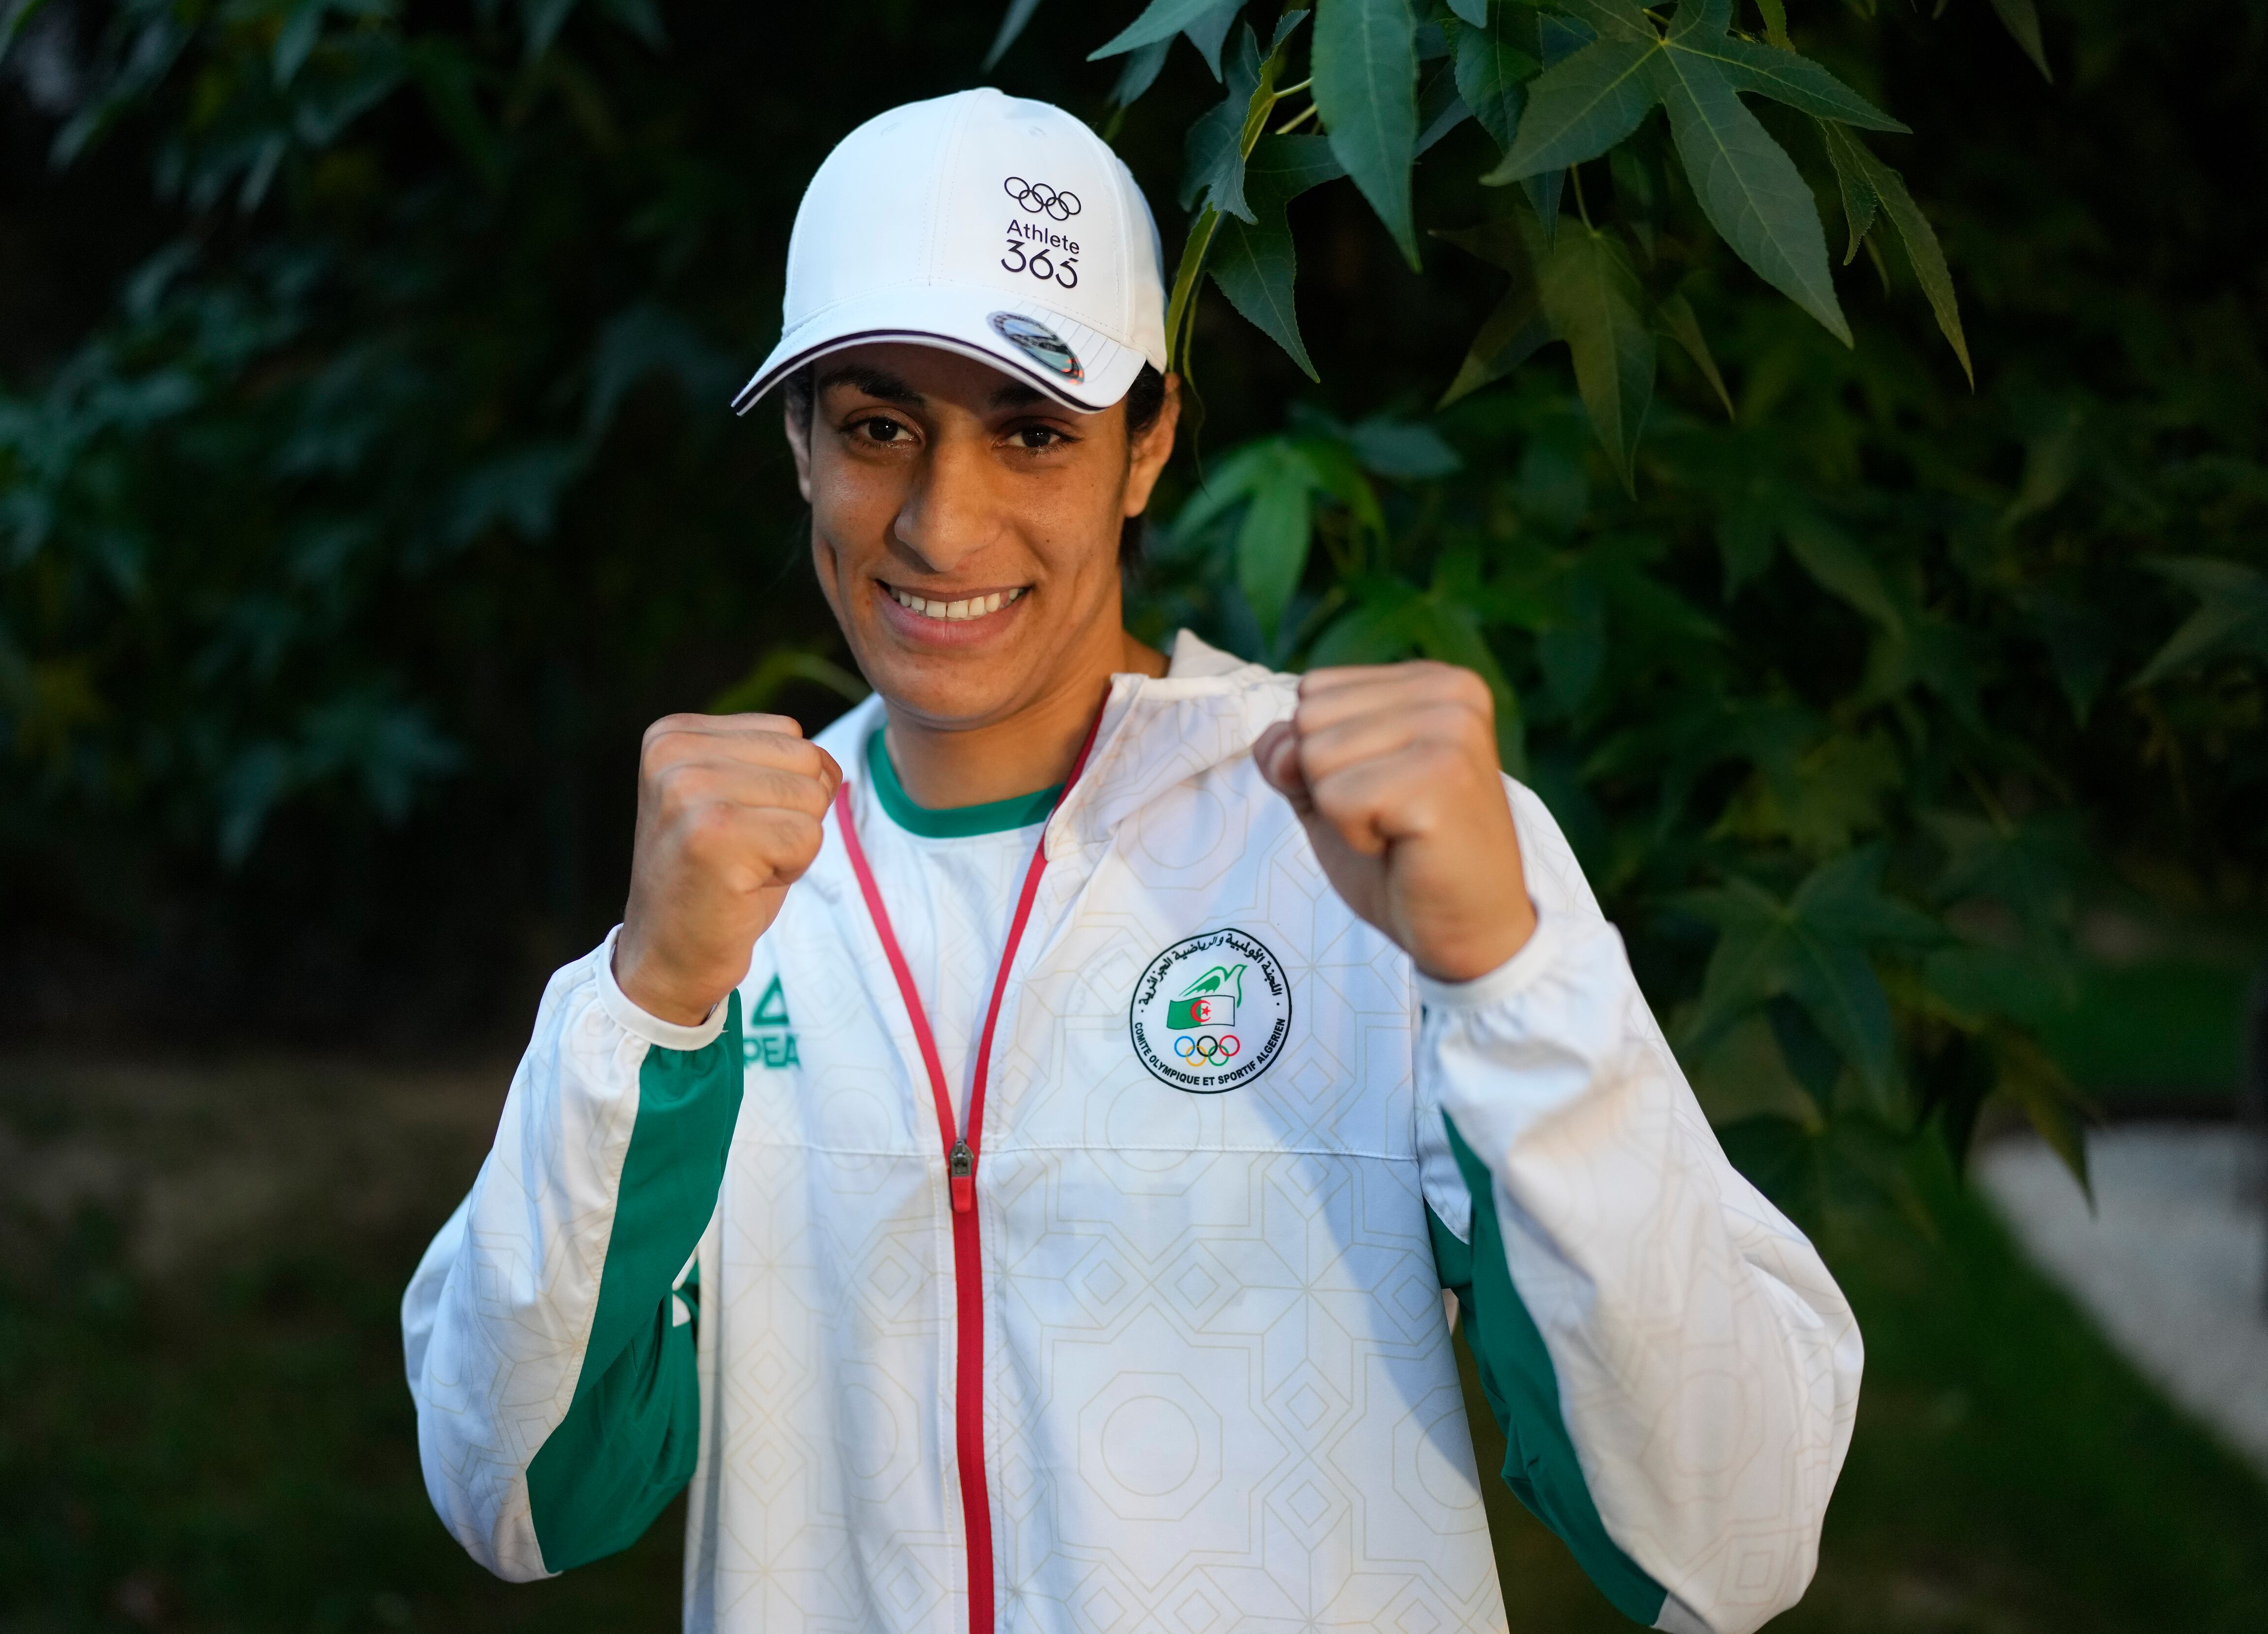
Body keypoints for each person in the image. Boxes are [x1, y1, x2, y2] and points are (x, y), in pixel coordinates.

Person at [403, 88, 1862, 1634]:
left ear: (1150, 442)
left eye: (1033, 430)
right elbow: (519, 1494)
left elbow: (1727, 1544)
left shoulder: (1379, 855)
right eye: (879, 425)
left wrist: (1512, 979)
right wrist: (644, 1005)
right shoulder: (724, 898)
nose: (942, 525)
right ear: (800, 445)